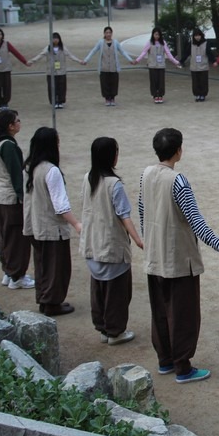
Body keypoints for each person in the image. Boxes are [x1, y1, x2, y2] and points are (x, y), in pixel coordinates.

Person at [139, 128, 219, 383]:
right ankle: (182, 366)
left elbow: (142, 210)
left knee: (160, 310)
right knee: (183, 314)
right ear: (179, 151)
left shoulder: (146, 175)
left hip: (154, 256)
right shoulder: (178, 181)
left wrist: (148, 242)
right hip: (178, 259)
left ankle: (165, 359)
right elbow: (196, 221)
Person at [80, 137, 143, 346]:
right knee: (117, 291)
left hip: (92, 242)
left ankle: (103, 327)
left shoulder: (88, 178)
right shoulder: (114, 185)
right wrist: (138, 240)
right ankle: (115, 330)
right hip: (111, 245)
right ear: (110, 156)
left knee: (98, 287)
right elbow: (124, 216)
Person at [23, 127, 82, 316]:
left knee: (42, 264)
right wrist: (76, 224)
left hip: (35, 225)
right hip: (51, 228)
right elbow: (61, 205)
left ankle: (44, 298)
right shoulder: (51, 171)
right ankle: (52, 302)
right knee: (57, 267)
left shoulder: (30, 167)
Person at [0, 109, 33, 289]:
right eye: (17, 120)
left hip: (0, 196)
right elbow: (16, 175)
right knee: (16, 238)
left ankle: (8, 271)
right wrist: (23, 199)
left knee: (6, 236)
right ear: (10, 126)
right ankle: (17, 275)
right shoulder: (7, 145)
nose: (19, 123)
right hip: (10, 199)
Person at [28, 32, 83, 108]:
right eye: (54, 38)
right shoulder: (47, 48)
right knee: (52, 87)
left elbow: (71, 55)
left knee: (61, 87)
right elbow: (40, 55)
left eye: (57, 38)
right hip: (51, 72)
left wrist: (79, 61)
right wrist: (31, 61)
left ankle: (60, 102)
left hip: (61, 71)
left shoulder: (63, 48)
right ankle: (54, 102)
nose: (55, 40)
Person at [83, 26, 134, 106]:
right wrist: (86, 60)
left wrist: (130, 60)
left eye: (110, 33)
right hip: (104, 67)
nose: (108, 34)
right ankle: (107, 98)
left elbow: (122, 52)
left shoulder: (116, 42)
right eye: (106, 33)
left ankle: (112, 98)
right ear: (104, 34)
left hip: (114, 67)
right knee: (105, 83)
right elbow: (93, 51)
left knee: (113, 83)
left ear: (112, 33)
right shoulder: (101, 42)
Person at [0, 28, 31, 109]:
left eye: (0, 34)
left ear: (2, 35)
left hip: (6, 68)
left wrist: (25, 62)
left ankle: (5, 102)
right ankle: (0, 103)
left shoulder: (6, 44)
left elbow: (16, 53)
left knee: (6, 86)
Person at [134, 27, 181, 104]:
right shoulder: (149, 43)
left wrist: (175, 62)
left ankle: (160, 95)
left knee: (161, 81)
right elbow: (144, 52)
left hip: (161, 65)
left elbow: (168, 53)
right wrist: (137, 60)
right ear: (153, 35)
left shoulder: (163, 43)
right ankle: (155, 95)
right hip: (152, 65)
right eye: (155, 34)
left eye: (158, 34)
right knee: (154, 81)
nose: (157, 36)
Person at [185, 28, 211, 102]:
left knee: (203, 81)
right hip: (194, 66)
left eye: (198, 35)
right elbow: (186, 53)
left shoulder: (206, 43)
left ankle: (203, 94)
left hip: (203, 66)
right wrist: (181, 61)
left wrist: (214, 61)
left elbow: (209, 53)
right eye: (195, 36)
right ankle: (197, 94)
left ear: (201, 35)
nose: (197, 37)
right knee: (195, 82)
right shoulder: (191, 44)